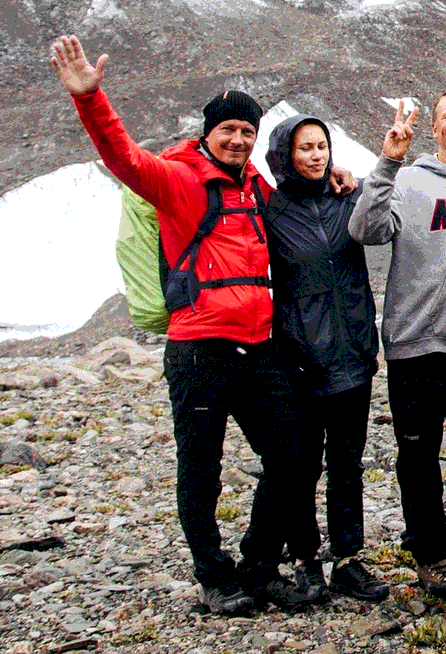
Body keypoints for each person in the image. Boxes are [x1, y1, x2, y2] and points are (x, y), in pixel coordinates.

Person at [49, 35, 320, 615]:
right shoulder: (181, 181)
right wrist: (90, 100)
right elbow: (124, 159)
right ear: (208, 132)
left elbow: (295, 200)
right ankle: (213, 576)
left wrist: (336, 176)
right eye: (228, 130)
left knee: (293, 457)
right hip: (199, 348)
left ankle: (258, 566)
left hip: (257, 348)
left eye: (247, 131)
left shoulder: (254, 185)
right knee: (202, 467)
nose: (239, 139)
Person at [348, 88, 446, 598]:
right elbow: (366, 229)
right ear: (435, 128)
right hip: (415, 344)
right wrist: (387, 163)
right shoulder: (408, 181)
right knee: (418, 455)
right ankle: (431, 555)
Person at [263, 115, 390, 605]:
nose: (316, 156)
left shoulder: (347, 199)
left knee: (347, 462)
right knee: (301, 466)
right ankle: (304, 559)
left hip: (354, 354)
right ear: (286, 156)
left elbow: (377, 219)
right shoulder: (272, 212)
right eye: (305, 149)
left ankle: (348, 559)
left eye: (322, 147)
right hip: (301, 359)